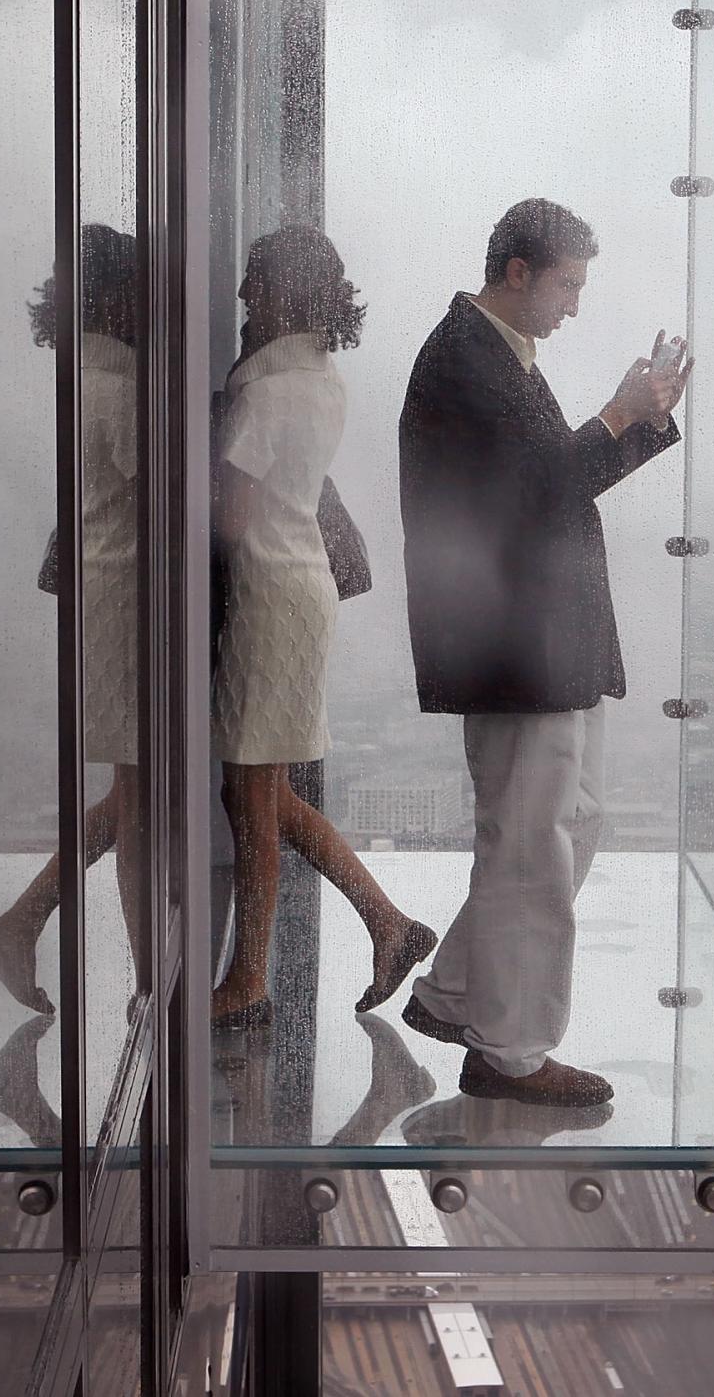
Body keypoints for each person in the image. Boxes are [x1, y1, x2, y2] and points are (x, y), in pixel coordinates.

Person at [396, 198, 691, 1107]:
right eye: (566, 285)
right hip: (514, 648)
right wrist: (616, 411)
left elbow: (550, 489)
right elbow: (530, 494)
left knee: (570, 823)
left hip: (540, 644)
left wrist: (638, 420)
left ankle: (454, 995)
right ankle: (510, 1051)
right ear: (516, 271)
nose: (573, 307)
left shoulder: (492, 354)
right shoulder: (465, 359)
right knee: (535, 848)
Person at [211, 226, 434, 1031]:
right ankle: (390, 924)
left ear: (281, 292)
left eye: (252, 283)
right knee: (263, 790)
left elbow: (231, 517)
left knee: (254, 798)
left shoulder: (267, 393)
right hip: (299, 589)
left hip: (267, 595)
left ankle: (248, 980)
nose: (241, 297)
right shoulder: (321, 380)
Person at [0, 224, 148, 1017]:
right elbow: (167, 491)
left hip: (102, 597)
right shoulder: (123, 379)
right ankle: (145, 980)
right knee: (139, 796)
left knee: (135, 791)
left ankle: (20, 923)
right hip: (126, 601)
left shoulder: (83, 369)